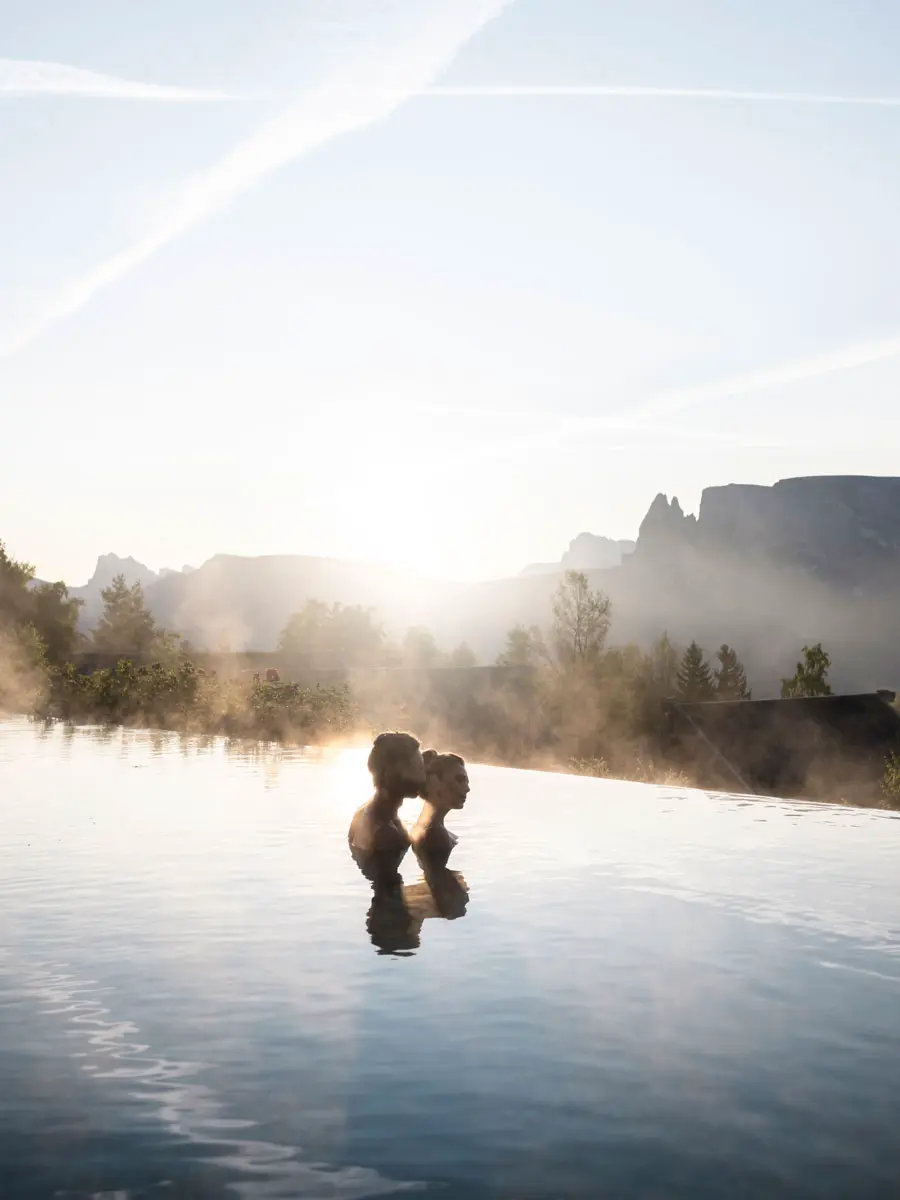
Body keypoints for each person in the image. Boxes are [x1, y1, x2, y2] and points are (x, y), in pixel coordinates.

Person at [348, 731, 425, 884]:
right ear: (397, 772)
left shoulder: (363, 811)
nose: (423, 776)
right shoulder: (387, 833)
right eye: (418, 768)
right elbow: (388, 890)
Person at [410, 750, 469, 869]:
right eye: (459, 780)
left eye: (467, 782)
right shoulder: (436, 836)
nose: (467, 789)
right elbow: (439, 883)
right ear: (435, 782)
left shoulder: (423, 827)